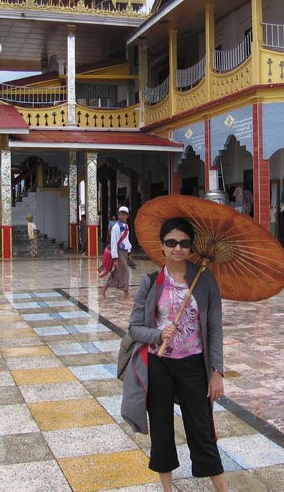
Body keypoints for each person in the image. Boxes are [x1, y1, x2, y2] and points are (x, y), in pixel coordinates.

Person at [124, 217, 226, 492]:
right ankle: (167, 488)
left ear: (191, 247)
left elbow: (214, 328)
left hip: (194, 364)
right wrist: (158, 334)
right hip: (159, 365)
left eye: (183, 243)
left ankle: (221, 488)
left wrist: (217, 370)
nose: (177, 248)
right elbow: (134, 328)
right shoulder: (150, 283)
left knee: (201, 428)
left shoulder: (205, 280)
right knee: (161, 429)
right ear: (162, 246)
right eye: (171, 243)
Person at [99, 206, 131, 298]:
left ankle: (105, 288)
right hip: (118, 252)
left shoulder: (126, 226)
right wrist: (115, 258)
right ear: (118, 215)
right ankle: (126, 292)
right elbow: (113, 243)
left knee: (118, 272)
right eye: (121, 214)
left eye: (124, 214)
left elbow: (126, 240)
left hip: (124, 252)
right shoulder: (116, 227)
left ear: (127, 216)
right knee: (125, 272)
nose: (122, 216)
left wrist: (129, 252)